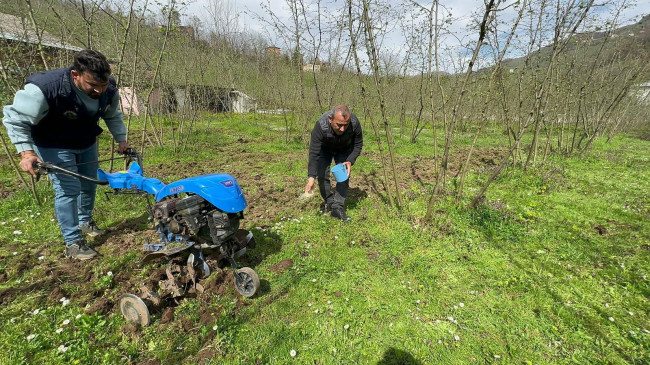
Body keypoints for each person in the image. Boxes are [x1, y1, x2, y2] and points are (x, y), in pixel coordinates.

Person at [2, 49, 130, 260]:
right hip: (54, 144)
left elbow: (112, 114)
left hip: (86, 140)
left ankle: (84, 221)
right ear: (75, 75)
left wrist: (122, 140)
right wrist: (26, 152)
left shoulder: (109, 88)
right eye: (93, 85)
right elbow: (15, 119)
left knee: (90, 184)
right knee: (68, 189)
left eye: (103, 85)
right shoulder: (45, 88)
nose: (99, 90)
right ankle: (73, 242)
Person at [304, 105, 363, 222]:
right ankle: (330, 203)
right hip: (324, 150)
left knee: (343, 175)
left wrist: (350, 161)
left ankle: (337, 208)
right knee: (322, 175)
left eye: (345, 125)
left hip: (344, 149)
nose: (342, 129)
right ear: (331, 119)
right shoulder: (321, 125)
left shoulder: (354, 123)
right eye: (339, 125)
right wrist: (311, 177)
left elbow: (358, 144)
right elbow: (314, 152)